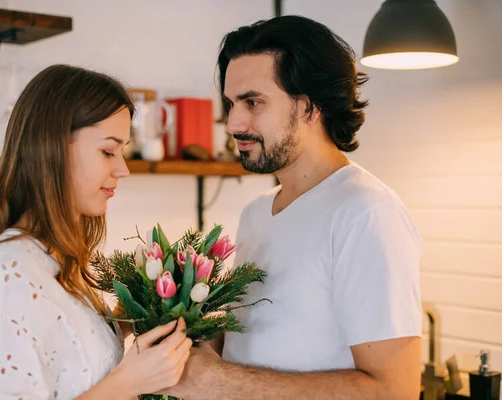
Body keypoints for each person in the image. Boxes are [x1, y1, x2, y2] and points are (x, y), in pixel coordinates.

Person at [162, 15, 422, 400]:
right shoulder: (255, 214)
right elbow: (263, 340)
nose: (233, 123)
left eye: (253, 102)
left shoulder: (366, 212)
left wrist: (218, 381)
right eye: (231, 104)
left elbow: (393, 391)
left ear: (309, 106)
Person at [0, 64, 192, 400]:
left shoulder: (57, 258)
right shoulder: (9, 267)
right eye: (108, 151)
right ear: (53, 147)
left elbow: (69, 366)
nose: (123, 169)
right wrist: (129, 382)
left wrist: (123, 322)